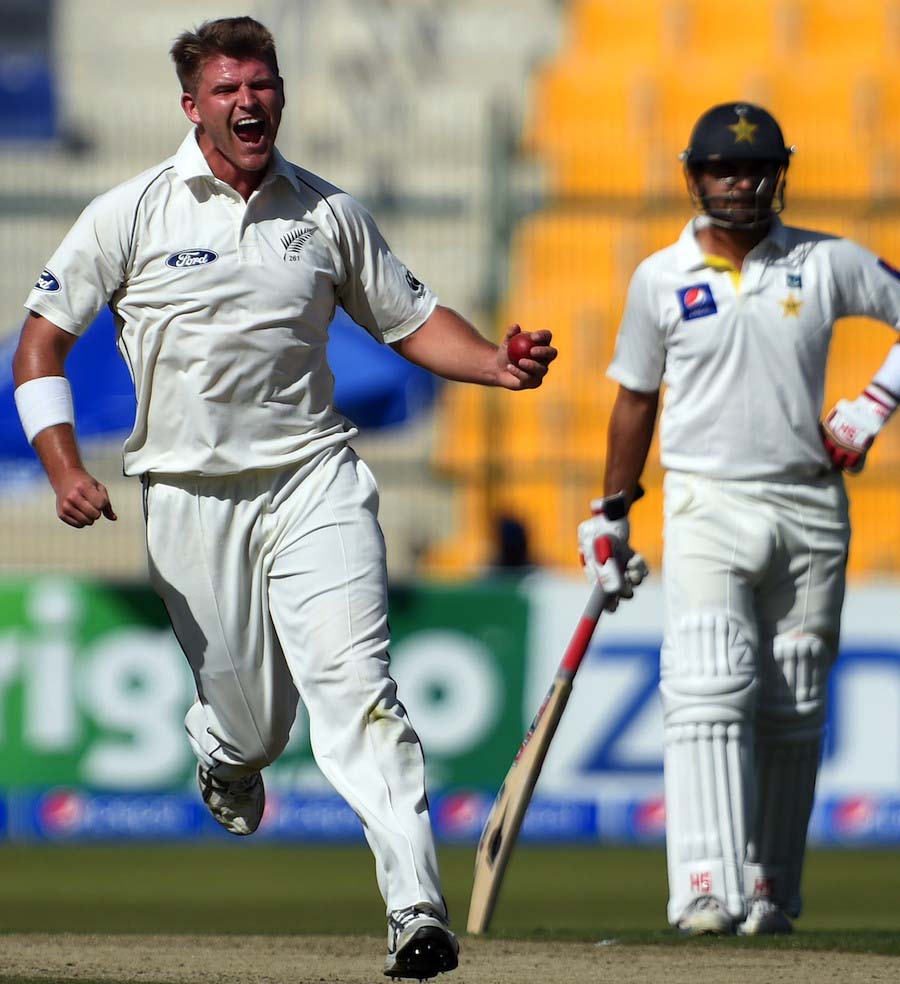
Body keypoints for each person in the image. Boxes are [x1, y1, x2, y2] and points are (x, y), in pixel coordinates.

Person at [12, 17, 556, 980]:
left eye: (262, 84)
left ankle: (414, 909)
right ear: (193, 106)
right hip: (188, 496)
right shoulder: (129, 211)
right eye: (227, 90)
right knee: (260, 726)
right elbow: (40, 346)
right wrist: (63, 468)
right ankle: (224, 747)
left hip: (315, 479)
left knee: (361, 695)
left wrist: (496, 368)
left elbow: (413, 319)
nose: (249, 102)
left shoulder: (327, 213)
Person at [577, 102, 900, 937]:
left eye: (755, 170)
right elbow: (634, 398)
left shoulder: (826, 263)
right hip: (705, 500)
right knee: (707, 685)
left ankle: (768, 892)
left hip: (810, 505)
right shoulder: (659, 277)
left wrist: (872, 405)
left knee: (793, 707)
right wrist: (610, 512)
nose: (742, 184)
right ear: (695, 177)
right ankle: (703, 888)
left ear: (778, 176)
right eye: (724, 170)